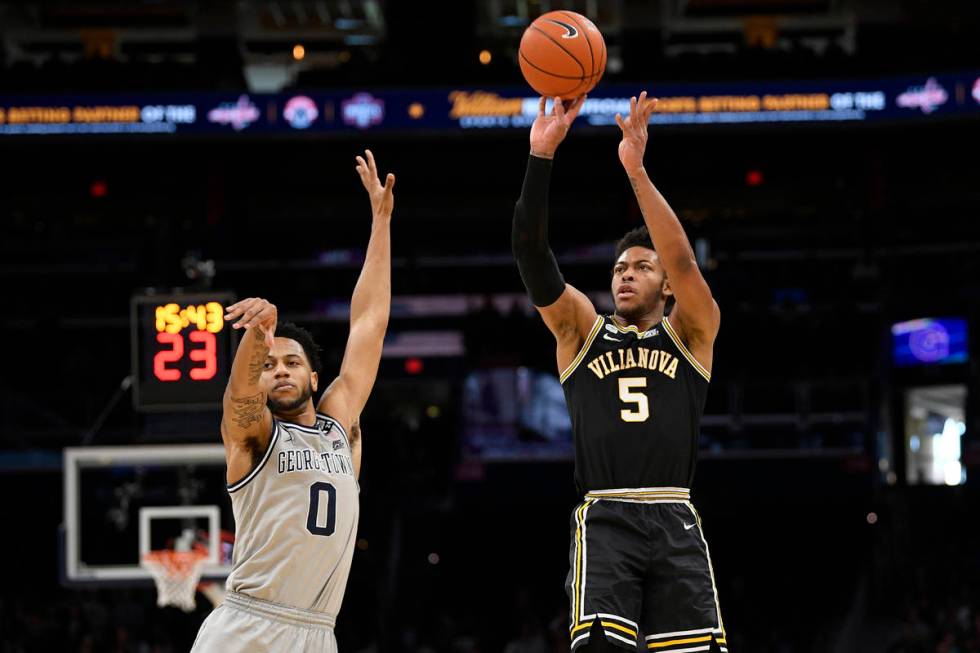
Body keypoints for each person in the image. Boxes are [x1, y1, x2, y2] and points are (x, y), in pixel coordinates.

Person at [511, 93, 728, 653]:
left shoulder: (691, 333)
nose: (625, 276)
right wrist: (541, 157)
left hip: (676, 515)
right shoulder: (583, 332)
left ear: (667, 287)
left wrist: (636, 170)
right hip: (606, 517)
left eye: (640, 267)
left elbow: (682, 260)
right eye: (618, 269)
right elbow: (532, 254)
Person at [191, 149, 394, 652]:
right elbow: (237, 394)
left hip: (317, 633)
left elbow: (369, 322)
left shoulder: (338, 424)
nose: (278, 369)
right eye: (269, 366)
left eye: (291, 362)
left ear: (314, 375)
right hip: (247, 625)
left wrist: (381, 222)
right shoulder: (254, 436)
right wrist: (257, 338)